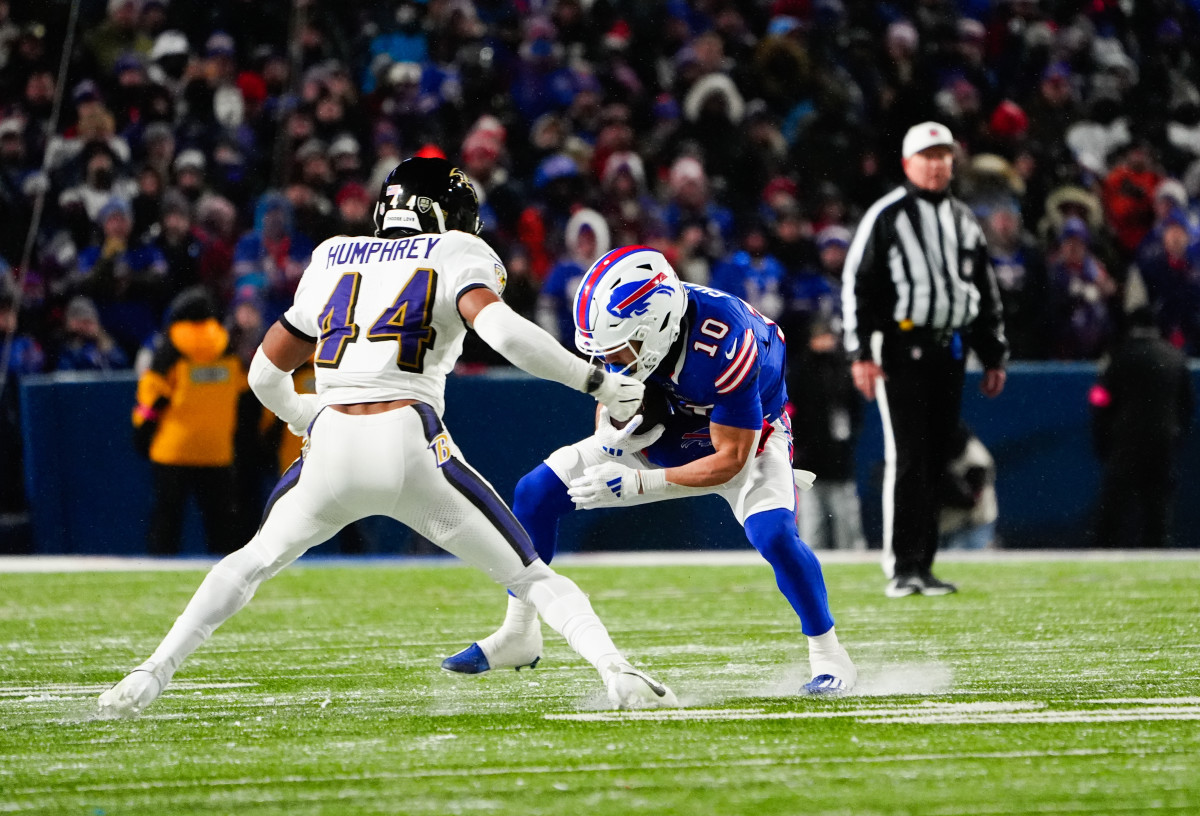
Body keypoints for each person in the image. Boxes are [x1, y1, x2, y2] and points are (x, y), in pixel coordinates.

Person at [98, 158, 676, 718]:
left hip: (330, 444)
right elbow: (500, 330)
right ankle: (616, 671)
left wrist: (304, 415)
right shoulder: (458, 250)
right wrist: (592, 379)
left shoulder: (330, 256)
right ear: (437, 212)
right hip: (408, 438)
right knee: (531, 575)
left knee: (248, 563)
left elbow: (262, 374)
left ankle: (152, 671)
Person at [443, 246, 857, 695]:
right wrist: (617, 426)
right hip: (665, 430)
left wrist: (641, 482)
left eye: (621, 351)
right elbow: (612, 409)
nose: (613, 361)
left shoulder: (725, 341)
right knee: (534, 492)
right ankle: (519, 630)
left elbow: (731, 458)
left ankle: (830, 656)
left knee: (774, 534)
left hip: (745, 439)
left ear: (656, 325)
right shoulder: (637, 335)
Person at [841, 122, 1008, 598]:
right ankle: (902, 565)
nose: (937, 164)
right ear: (908, 163)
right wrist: (860, 353)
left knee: (936, 459)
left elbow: (983, 292)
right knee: (910, 456)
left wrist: (993, 352)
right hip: (903, 348)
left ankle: (925, 564)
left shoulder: (963, 220)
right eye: (927, 155)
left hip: (949, 348)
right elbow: (860, 287)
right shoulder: (887, 215)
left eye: (944, 155)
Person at [131, 287, 245, 556]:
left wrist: (141, 432)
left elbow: (154, 396)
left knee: (167, 522)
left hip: (173, 450)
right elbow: (243, 392)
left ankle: (160, 575)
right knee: (222, 525)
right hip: (217, 451)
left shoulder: (171, 347)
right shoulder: (227, 347)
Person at [1090, 308, 1195, 549]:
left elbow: (1099, 399)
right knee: (1158, 506)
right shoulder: (1175, 357)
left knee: (1114, 505)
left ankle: (1105, 549)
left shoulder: (1121, 356)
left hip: (1126, 439)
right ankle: (1158, 550)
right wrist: (1176, 433)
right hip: (1164, 440)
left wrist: (1101, 438)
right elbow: (1187, 405)